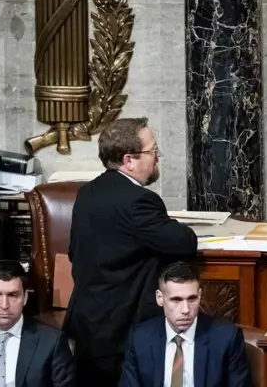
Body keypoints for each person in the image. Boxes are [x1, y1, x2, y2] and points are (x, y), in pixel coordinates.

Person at [65, 117, 200, 387]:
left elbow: (74, 252)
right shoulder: (139, 201)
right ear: (129, 160)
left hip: (87, 323)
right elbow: (184, 242)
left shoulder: (88, 192)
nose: (157, 157)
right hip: (120, 328)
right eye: (153, 151)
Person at [119, 262, 252, 387]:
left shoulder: (226, 338)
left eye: (192, 298)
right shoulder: (140, 338)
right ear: (160, 298)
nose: (186, 310)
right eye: (176, 300)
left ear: (199, 296)